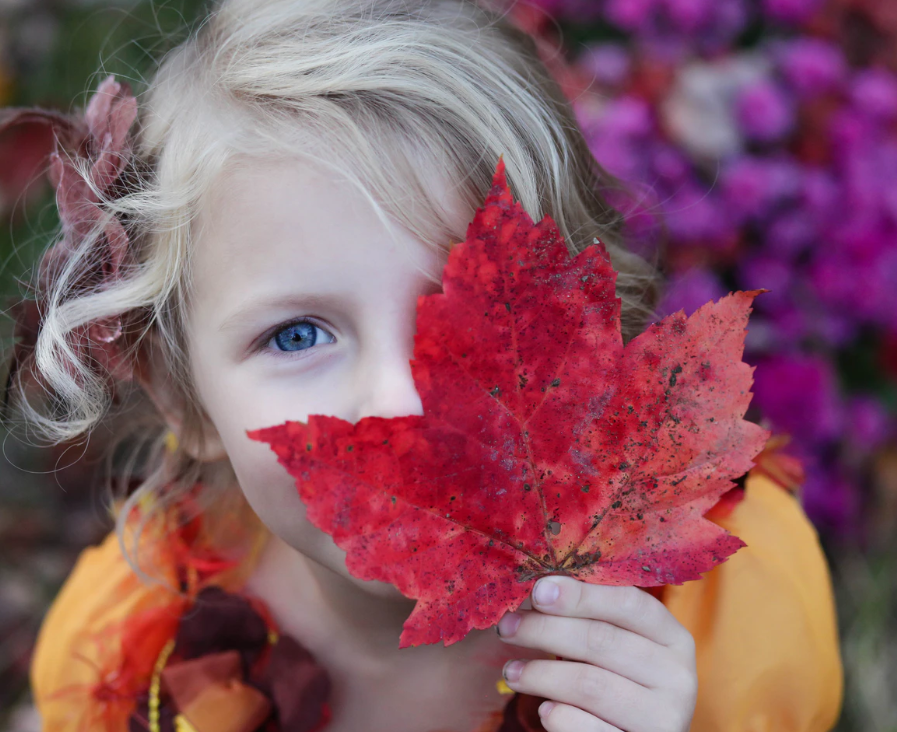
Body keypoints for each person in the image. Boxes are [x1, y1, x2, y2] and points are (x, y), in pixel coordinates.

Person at [0, 0, 842, 730]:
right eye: (297, 336)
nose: (403, 398)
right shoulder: (134, 651)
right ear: (180, 397)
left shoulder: (722, 622)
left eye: (469, 313)